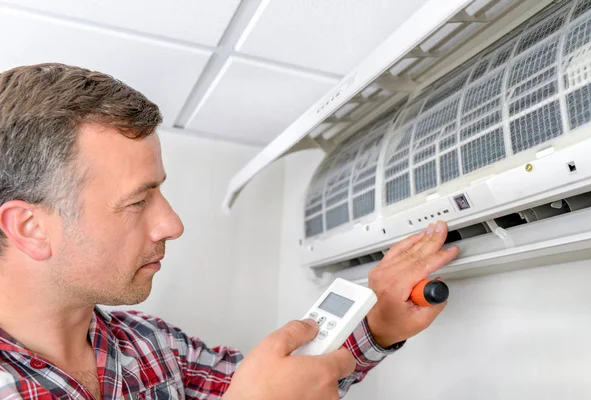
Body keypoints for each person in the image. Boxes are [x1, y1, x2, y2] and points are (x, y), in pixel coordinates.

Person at [0, 63, 459, 399]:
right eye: (137, 201)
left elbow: (282, 385)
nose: (172, 224)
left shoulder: (154, 346)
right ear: (31, 227)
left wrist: (378, 325)